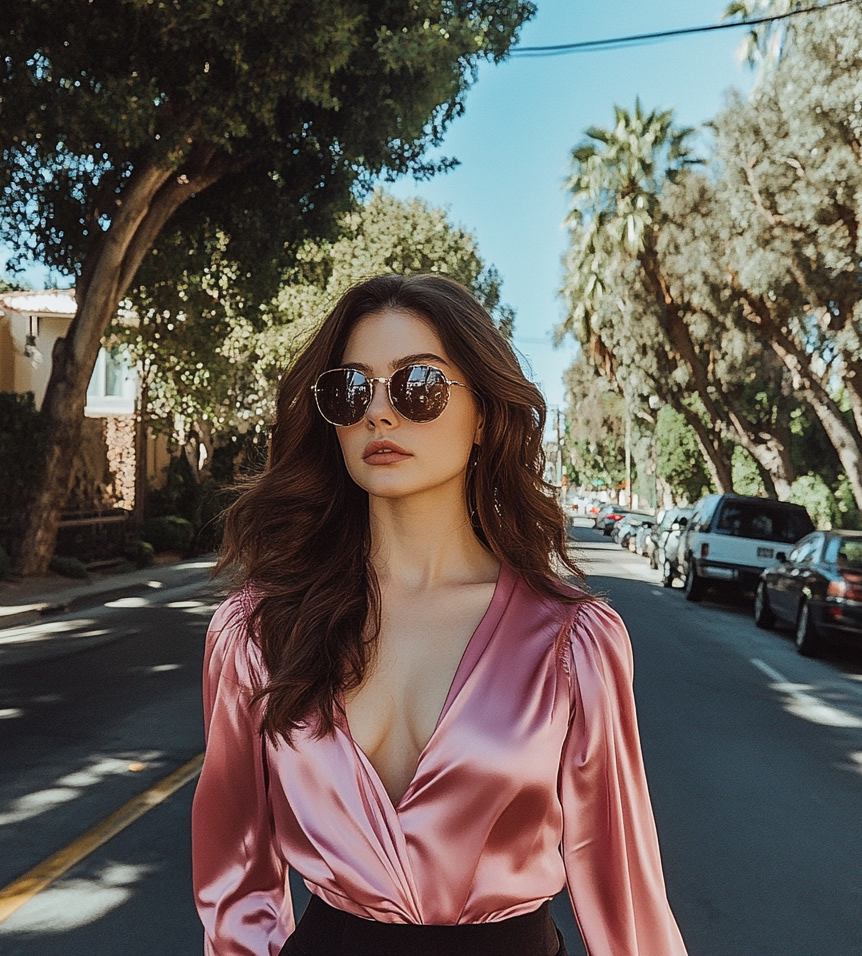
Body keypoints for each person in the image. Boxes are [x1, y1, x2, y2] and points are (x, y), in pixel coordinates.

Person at [192, 274, 688, 956]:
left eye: (416, 386)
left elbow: (625, 897)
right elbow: (235, 884)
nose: (379, 414)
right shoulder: (257, 632)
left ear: (484, 415)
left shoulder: (573, 643)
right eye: (351, 389)